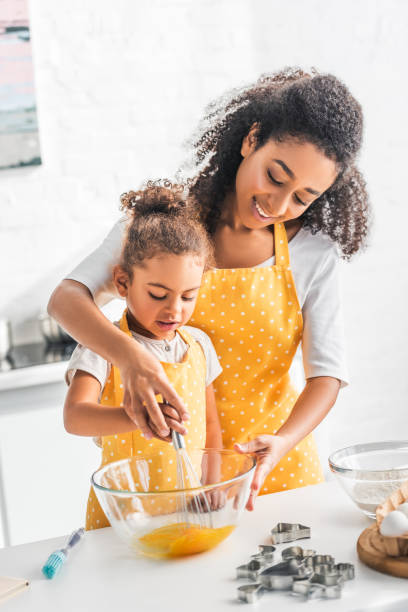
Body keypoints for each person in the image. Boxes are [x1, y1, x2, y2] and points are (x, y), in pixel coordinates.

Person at [50, 67, 370, 511]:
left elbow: (326, 376)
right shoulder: (160, 229)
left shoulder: (313, 253)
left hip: (274, 477)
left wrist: (282, 442)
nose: (278, 205)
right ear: (251, 139)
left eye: (303, 196)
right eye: (275, 177)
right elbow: (66, 299)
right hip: (171, 483)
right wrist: (133, 360)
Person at [63, 183, 223, 529]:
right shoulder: (103, 345)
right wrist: (135, 418)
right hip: (121, 519)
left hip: (187, 513)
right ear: (122, 283)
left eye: (188, 296)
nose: (174, 310)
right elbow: (74, 417)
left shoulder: (198, 345)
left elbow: (210, 425)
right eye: (158, 294)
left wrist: (214, 483)